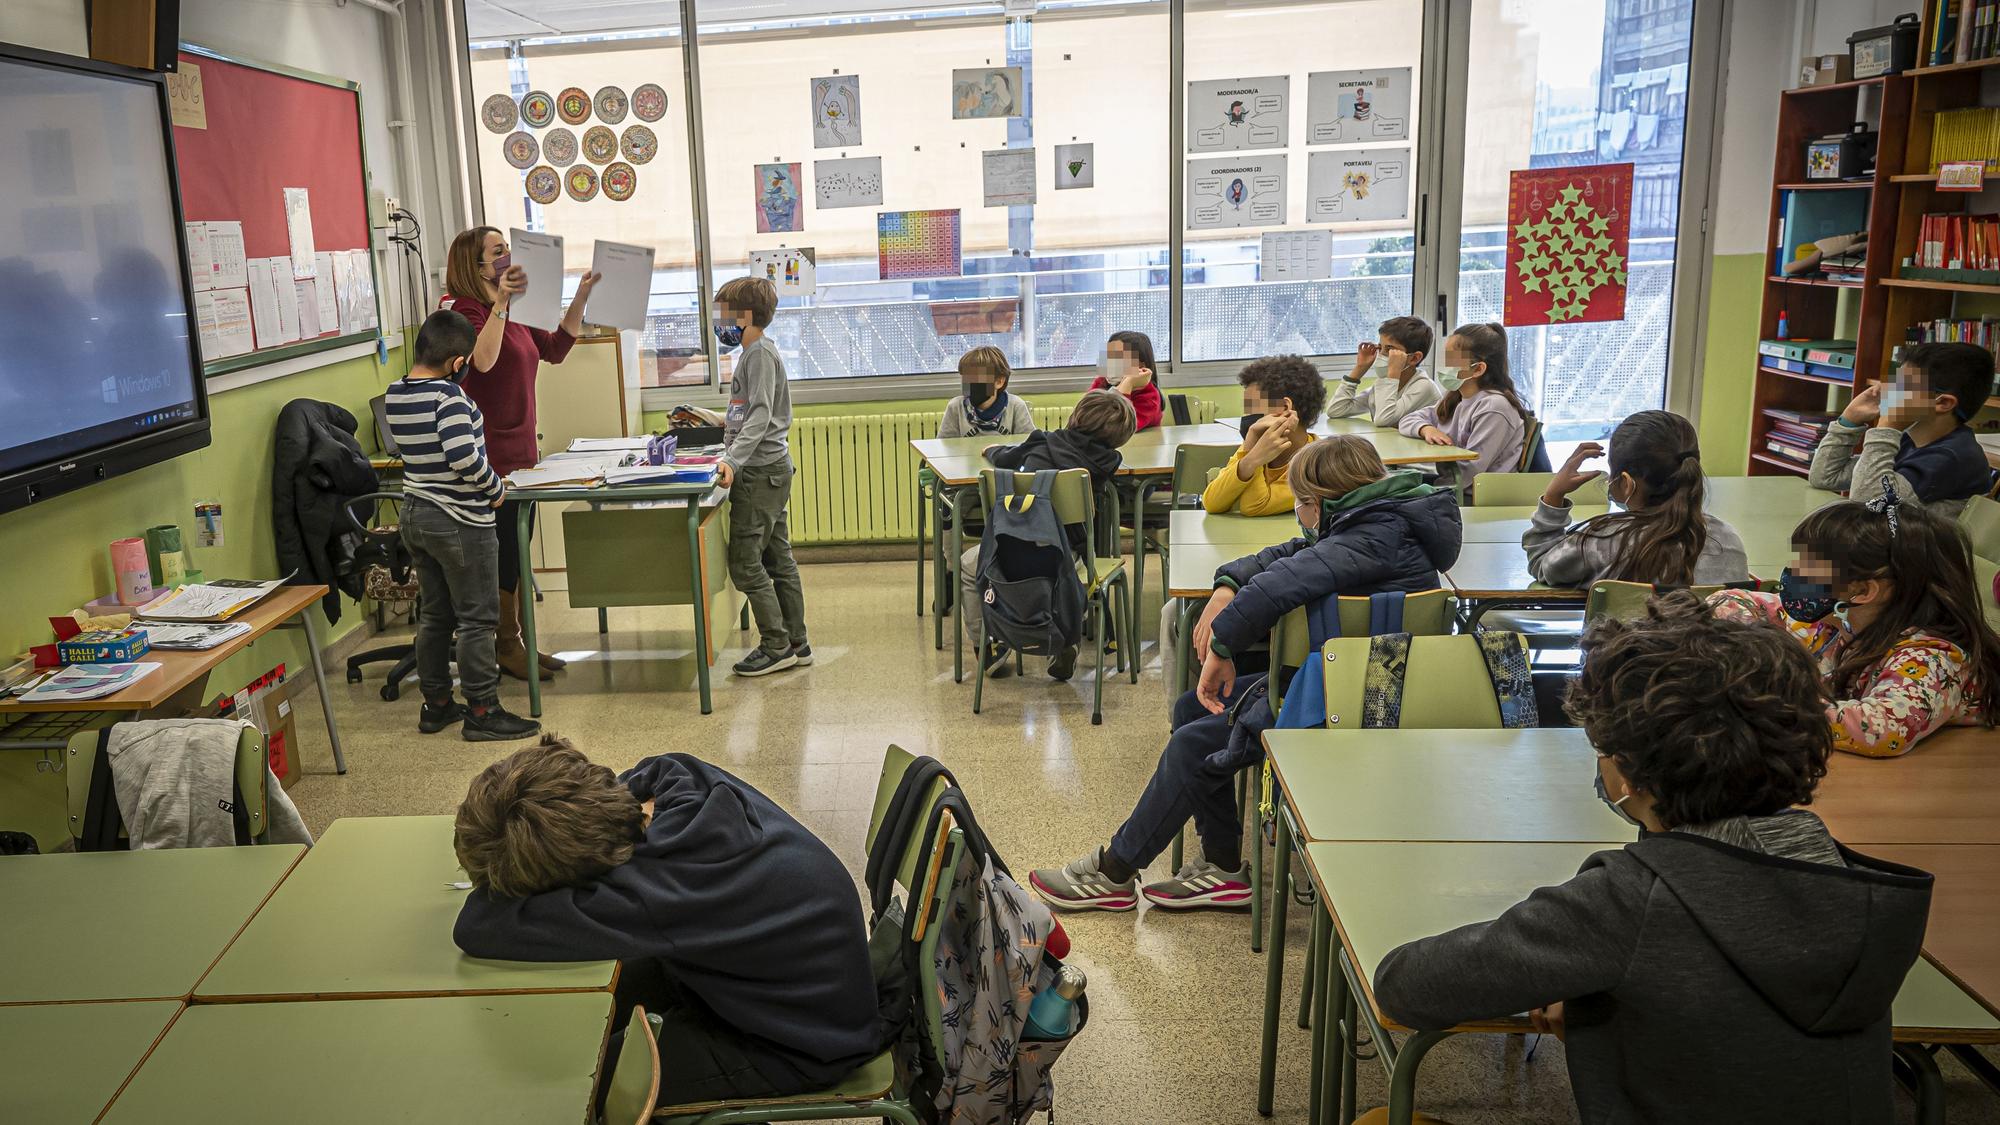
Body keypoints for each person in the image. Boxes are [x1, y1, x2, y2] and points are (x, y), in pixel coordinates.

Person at [1372, 594, 1933, 1124]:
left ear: (1627, 771)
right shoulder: (1847, 878)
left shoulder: (1625, 904)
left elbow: (1408, 986)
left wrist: (1588, 982)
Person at [1029, 436, 1462, 911]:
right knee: (1191, 708)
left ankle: (1115, 871)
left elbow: (1282, 582)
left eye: (1301, 503)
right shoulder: (1380, 520)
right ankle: (1222, 866)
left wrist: (1221, 643)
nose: (1299, 513)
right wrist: (1227, 583)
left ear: (1323, 502)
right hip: (1347, 681)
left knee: (1194, 741)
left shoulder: (1376, 536)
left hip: (1358, 701)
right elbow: (1285, 556)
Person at [452, 737, 882, 1112]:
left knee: (587, 1079)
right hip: (783, 984)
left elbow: (476, 925)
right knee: (590, 1013)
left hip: (801, 1043)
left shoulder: (657, 891)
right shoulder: (669, 777)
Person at [1709, 487, 2000, 756]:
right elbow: (1732, 600)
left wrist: (1757, 699)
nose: (1793, 571)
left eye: (1808, 565)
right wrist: (1747, 650)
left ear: (1862, 591)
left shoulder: (1931, 659)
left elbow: (1880, 728)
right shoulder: (1834, 623)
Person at [441, 226, 600, 682]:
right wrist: (500, 305)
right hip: (484, 454)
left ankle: (518, 642)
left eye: (507, 248)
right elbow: (483, 361)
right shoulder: (463, 312)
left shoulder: (516, 308)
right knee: (503, 554)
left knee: (516, 548)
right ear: (473, 266)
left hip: (521, 449)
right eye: (497, 251)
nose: (508, 256)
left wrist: (582, 295)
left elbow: (555, 349)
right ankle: (506, 645)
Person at [385, 311, 540, 742]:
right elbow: (464, 457)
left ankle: (436, 705)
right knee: (477, 619)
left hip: (415, 514)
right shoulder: (449, 398)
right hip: (458, 520)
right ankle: (482, 710)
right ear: (458, 362)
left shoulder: (396, 393)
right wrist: (495, 489)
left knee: (435, 615)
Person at [961, 390, 1137, 681]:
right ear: (1120, 439)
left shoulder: (1042, 441)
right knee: (1072, 573)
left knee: (969, 568)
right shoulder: (1106, 464)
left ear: (1075, 416)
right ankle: (1063, 641)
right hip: (1065, 558)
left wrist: (991, 451)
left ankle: (988, 646)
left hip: (1010, 551)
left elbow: (1005, 459)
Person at [1523, 410, 1749, 588]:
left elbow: (1542, 564)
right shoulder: (1728, 540)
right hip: (1715, 648)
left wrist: (1553, 496)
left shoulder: (1603, 541)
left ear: (1626, 483)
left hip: (1628, 647)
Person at [714, 276, 809, 678]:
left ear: (746, 316)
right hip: (767, 468)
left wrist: (732, 461)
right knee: (776, 557)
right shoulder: (753, 353)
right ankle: (796, 642)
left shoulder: (758, 355)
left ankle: (776, 645)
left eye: (724, 314)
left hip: (759, 473)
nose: (719, 322)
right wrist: (718, 423)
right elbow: (747, 411)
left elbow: (760, 415)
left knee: (746, 564)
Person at [1808, 341, 1995, 519]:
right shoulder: (1911, 439)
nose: (1887, 389)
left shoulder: (1952, 456)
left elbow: (1870, 509)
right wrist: (1849, 421)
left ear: (1943, 403)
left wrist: (1887, 428)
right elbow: (1825, 476)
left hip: (1929, 551)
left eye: (1903, 385)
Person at [1397, 321, 1528, 492]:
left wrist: (1419, 483)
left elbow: (1469, 471)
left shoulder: (1494, 407)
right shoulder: (1456, 397)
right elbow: (1408, 420)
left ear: (1478, 369)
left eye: (1452, 361)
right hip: (1449, 484)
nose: (1445, 367)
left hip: (1470, 495)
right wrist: (1426, 429)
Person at [1203, 354, 1326, 517]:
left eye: (1251, 409)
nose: (1247, 419)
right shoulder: (1257, 446)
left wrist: (1254, 457)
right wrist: (1251, 456)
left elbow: (1254, 506)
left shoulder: (1318, 466)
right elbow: (1212, 502)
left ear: (1284, 408)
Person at [1327, 315, 1442, 427]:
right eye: (1380, 348)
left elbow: (1384, 420)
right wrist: (1360, 368)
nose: (1381, 355)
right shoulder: (1383, 385)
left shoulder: (1423, 386)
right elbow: (1336, 410)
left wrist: (1392, 375)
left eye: (1390, 349)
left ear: (1414, 358)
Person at [938, 345, 1034, 438]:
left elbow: (1030, 446)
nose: (971, 383)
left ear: (999, 382)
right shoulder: (955, 406)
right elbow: (944, 446)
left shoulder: (1016, 406)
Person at [1090, 330, 1163, 431]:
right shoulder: (1101, 382)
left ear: (1141, 366)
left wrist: (1128, 383)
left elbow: (1118, 428)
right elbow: (1086, 417)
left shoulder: (1150, 397)